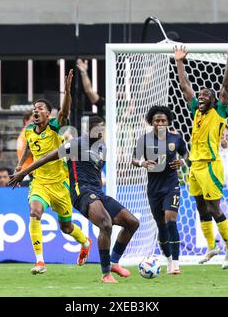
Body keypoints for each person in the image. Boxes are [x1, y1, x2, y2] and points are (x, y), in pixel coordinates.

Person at [9, 115, 140, 283]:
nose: (100, 131)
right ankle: (106, 273)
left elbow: (98, 174)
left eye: (102, 128)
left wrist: (101, 194)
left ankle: (114, 262)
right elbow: (45, 158)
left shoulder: (102, 148)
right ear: (87, 129)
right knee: (106, 224)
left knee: (132, 223)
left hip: (97, 192)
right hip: (80, 191)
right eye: (97, 128)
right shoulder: (75, 144)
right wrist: (23, 172)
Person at [14, 69, 92, 275]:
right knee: (34, 212)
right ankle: (40, 261)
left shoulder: (56, 127)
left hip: (60, 184)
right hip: (39, 182)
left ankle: (85, 243)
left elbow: (65, 112)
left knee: (66, 227)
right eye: (34, 109)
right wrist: (20, 166)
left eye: (40, 108)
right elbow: (31, 147)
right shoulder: (30, 130)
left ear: (48, 114)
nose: (36, 111)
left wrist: (67, 92)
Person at [174, 37, 228, 269]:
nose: (200, 97)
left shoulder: (219, 111)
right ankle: (212, 247)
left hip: (211, 164)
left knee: (214, 208)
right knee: (200, 206)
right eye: (200, 95)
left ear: (213, 101)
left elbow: (226, 85)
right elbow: (184, 87)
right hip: (195, 165)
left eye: (205, 95)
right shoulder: (197, 112)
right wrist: (180, 63)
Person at [131, 105, 187, 274]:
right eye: (157, 120)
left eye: (163, 120)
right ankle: (169, 261)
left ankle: (176, 263)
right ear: (151, 122)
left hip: (172, 185)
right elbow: (134, 159)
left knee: (171, 221)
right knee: (161, 225)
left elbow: (185, 154)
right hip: (154, 189)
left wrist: (182, 162)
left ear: (168, 121)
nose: (160, 123)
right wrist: (142, 163)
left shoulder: (176, 139)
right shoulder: (144, 139)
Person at [16, 110, 34, 186]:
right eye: (32, 121)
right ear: (26, 120)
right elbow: (29, 152)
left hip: (25, 172)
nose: (35, 123)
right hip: (31, 173)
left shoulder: (22, 134)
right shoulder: (28, 134)